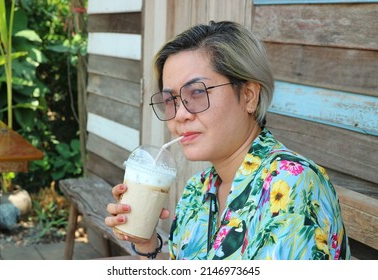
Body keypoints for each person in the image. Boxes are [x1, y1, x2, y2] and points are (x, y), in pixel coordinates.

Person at [105, 20, 351, 260]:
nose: (180, 115)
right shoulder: (197, 190)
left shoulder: (291, 183)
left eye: (197, 93)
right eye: (171, 101)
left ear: (249, 96)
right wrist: (146, 243)